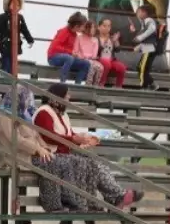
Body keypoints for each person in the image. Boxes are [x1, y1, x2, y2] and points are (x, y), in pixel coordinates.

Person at [33, 83, 141, 211]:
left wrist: (84, 140)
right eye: (67, 95)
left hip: (63, 153)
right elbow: (48, 136)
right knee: (82, 163)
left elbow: (69, 134)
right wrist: (73, 139)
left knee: (94, 162)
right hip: (47, 154)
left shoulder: (62, 115)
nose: (69, 98)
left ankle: (116, 196)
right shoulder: (44, 112)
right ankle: (87, 202)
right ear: (58, 98)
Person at [0, 0, 34, 74]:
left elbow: (24, 30)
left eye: (18, 5)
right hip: (5, 44)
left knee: (13, 65)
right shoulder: (2, 17)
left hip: (15, 45)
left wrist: (30, 40)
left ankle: (11, 79)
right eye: (13, 4)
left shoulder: (20, 18)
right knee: (6, 63)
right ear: (8, 5)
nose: (15, 7)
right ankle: (5, 78)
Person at [46, 12, 92, 83]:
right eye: (83, 26)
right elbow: (55, 47)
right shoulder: (64, 32)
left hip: (67, 58)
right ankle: (62, 82)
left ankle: (77, 84)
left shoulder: (75, 35)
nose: (84, 28)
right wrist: (70, 52)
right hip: (54, 58)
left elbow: (72, 50)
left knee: (86, 63)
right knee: (69, 58)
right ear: (77, 26)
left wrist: (76, 55)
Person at [128, 3, 160, 88]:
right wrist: (135, 32)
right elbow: (143, 34)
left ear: (144, 12)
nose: (137, 14)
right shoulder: (144, 23)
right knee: (140, 67)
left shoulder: (149, 20)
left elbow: (151, 30)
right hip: (146, 48)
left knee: (142, 68)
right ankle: (152, 84)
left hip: (149, 48)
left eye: (139, 12)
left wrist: (140, 38)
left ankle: (143, 86)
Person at [95, 19, 127, 88]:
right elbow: (96, 51)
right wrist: (105, 42)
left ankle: (118, 86)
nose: (107, 28)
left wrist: (116, 41)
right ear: (98, 27)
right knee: (106, 63)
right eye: (104, 26)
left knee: (122, 67)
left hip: (111, 60)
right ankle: (101, 84)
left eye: (109, 26)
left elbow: (118, 50)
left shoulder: (111, 38)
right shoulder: (96, 38)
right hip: (99, 59)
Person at [74, 21, 106, 86]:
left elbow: (94, 54)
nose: (94, 29)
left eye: (94, 27)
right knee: (91, 66)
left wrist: (89, 57)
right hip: (81, 59)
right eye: (92, 27)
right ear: (87, 28)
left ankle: (95, 86)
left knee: (101, 67)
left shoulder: (95, 40)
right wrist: (82, 56)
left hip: (91, 59)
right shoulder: (79, 37)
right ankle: (88, 85)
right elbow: (75, 51)